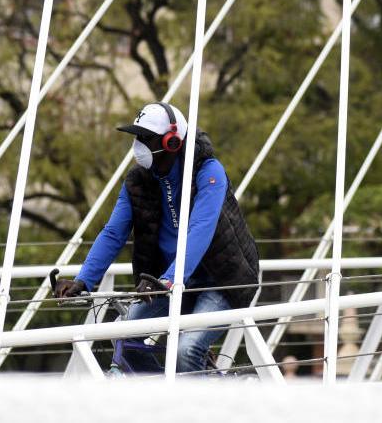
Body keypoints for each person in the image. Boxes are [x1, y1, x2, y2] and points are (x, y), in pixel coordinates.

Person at [52, 102, 260, 374]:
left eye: (145, 138)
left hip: (221, 280)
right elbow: (114, 232)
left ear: (172, 142)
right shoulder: (138, 180)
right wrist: (84, 280)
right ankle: (164, 397)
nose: (138, 145)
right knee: (123, 335)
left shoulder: (209, 173)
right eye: (137, 137)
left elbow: (200, 229)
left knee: (186, 349)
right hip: (167, 281)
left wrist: (169, 279)